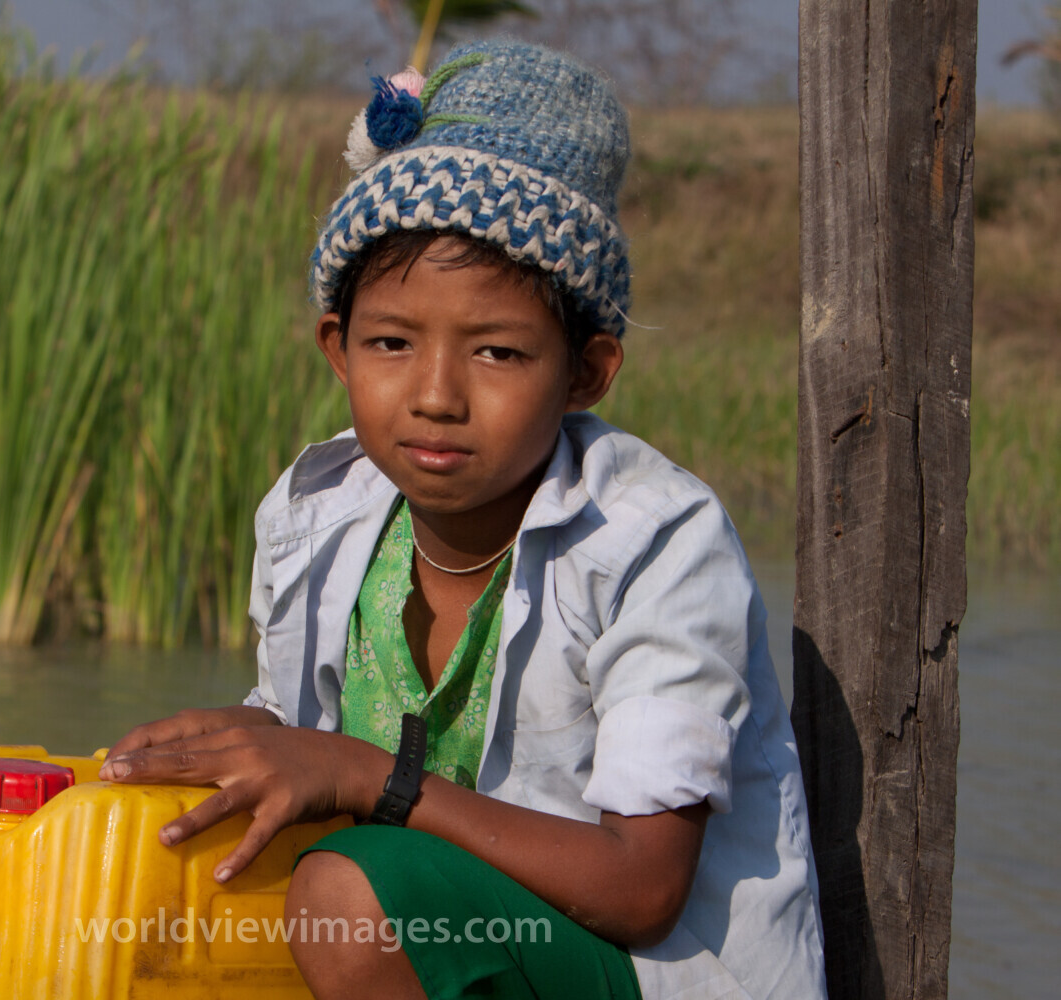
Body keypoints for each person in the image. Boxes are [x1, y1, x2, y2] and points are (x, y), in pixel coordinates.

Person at [99, 41, 826, 1000]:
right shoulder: (318, 510)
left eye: (497, 353)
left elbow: (643, 889)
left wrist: (372, 779)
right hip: (454, 942)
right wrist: (223, 747)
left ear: (586, 372)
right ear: (338, 349)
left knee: (347, 896)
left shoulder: (654, 541)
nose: (436, 396)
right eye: (391, 343)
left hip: (643, 972)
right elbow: (308, 733)